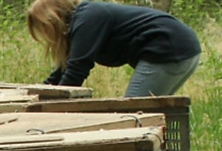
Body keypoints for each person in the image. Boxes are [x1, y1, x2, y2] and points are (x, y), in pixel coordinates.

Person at [27, 0, 201, 97]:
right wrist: (36, 94)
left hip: (168, 49)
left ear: (54, 17)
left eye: (44, 26)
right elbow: (62, 71)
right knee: (150, 112)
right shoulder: (80, 24)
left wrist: (52, 106)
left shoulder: (87, 18)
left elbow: (76, 71)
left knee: (133, 113)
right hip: (183, 49)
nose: (44, 32)